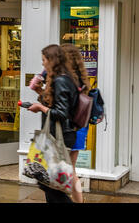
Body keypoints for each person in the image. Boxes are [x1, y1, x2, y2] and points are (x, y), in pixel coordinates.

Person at [27, 44, 79, 203]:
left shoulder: (61, 80)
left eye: (44, 60)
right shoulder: (62, 78)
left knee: (49, 184)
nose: (42, 63)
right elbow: (56, 104)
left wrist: (40, 107)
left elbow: (61, 113)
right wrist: (40, 94)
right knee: (47, 182)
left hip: (60, 136)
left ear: (51, 60)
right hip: (57, 136)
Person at [61, 43, 91, 203]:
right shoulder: (81, 78)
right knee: (71, 169)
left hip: (69, 129)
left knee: (67, 170)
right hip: (80, 127)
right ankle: (79, 200)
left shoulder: (66, 80)